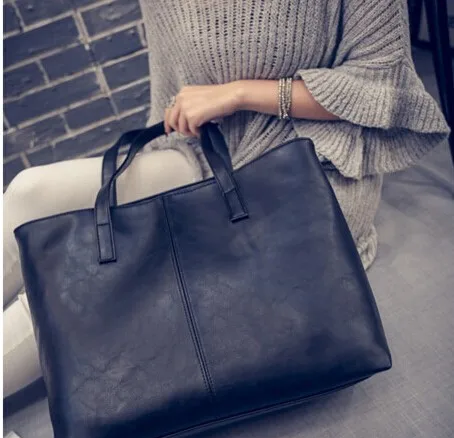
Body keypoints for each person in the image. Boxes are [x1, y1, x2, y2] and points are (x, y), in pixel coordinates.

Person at [3, 0, 449, 398]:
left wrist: (238, 94)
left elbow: (382, 86)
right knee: (29, 192)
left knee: (80, 288)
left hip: (310, 169)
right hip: (209, 154)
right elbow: (175, 95)